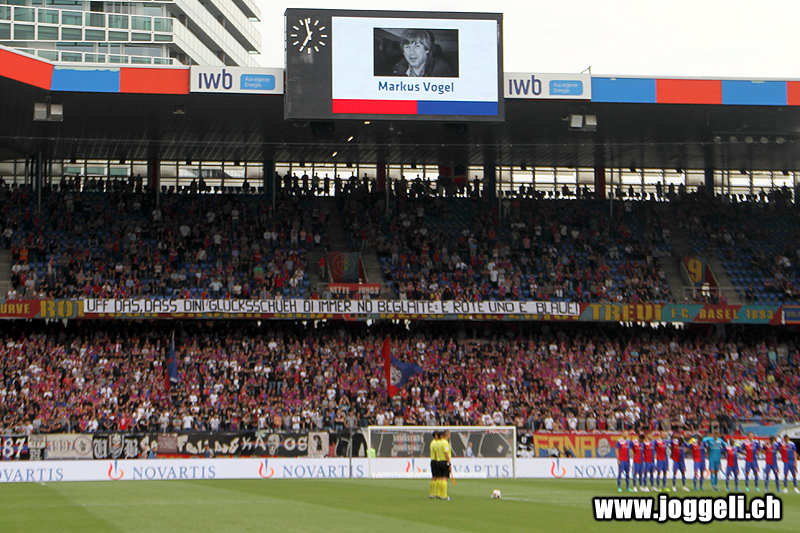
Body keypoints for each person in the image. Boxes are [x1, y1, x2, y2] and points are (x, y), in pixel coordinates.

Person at [429, 430, 440, 499]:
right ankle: (432, 493)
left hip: (434, 460)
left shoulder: (433, 442)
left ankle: (434, 493)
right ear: (436, 436)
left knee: (436, 477)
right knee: (435, 477)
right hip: (435, 460)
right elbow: (436, 452)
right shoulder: (435, 443)